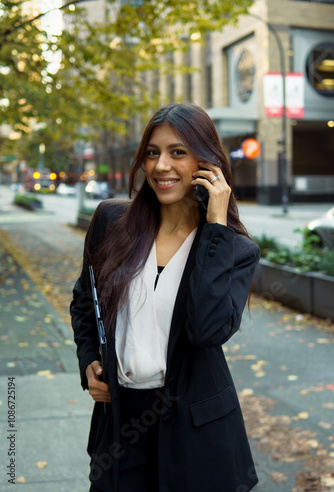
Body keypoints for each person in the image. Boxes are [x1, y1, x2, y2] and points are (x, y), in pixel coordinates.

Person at [70, 103, 260, 492]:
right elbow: (84, 301)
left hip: (195, 432)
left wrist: (216, 226)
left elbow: (206, 329)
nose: (161, 166)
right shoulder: (111, 223)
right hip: (120, 422)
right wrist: (89, 359)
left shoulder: (234, 249)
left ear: (206, 162)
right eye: (153, 152)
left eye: (178, 152)